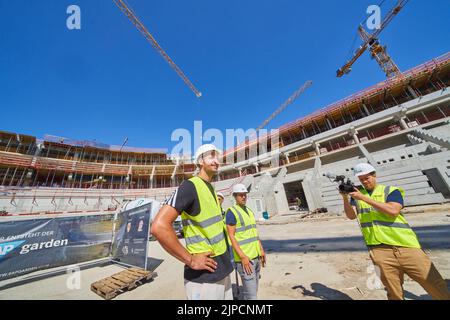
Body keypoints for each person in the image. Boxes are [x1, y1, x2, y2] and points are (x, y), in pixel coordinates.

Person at [342, 162, 450, 300]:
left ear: (374, 175)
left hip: (406, 247)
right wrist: (345, 197)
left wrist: (364, 198)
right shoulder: (357, 196)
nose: (364, 181)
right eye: (361, 179)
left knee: (434, 284)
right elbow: (351, 216)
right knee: (393, 292)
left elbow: (393, 210)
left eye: (367, 177)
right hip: (379, 250)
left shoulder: (391, 191)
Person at [151, 144, 233, 300]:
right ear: (200, 161)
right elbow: (159, 227)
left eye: (217, 157)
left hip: (221, 270)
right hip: (205, 279)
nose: (216, 161)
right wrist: (190, 260)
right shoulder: (190, 186)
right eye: (211, 156)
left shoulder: (210, 189)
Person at [225, 183, 266, 300]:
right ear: (235, 196)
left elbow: (254, 234)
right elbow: (231, 236)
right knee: (251, 296)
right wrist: (242, 256)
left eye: (245, 195)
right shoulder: (232, 212)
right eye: (240, 195)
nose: (243, 197)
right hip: (245, 261)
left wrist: (261, 250)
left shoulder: (249, 211)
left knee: (254, 291)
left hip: (256, 257)